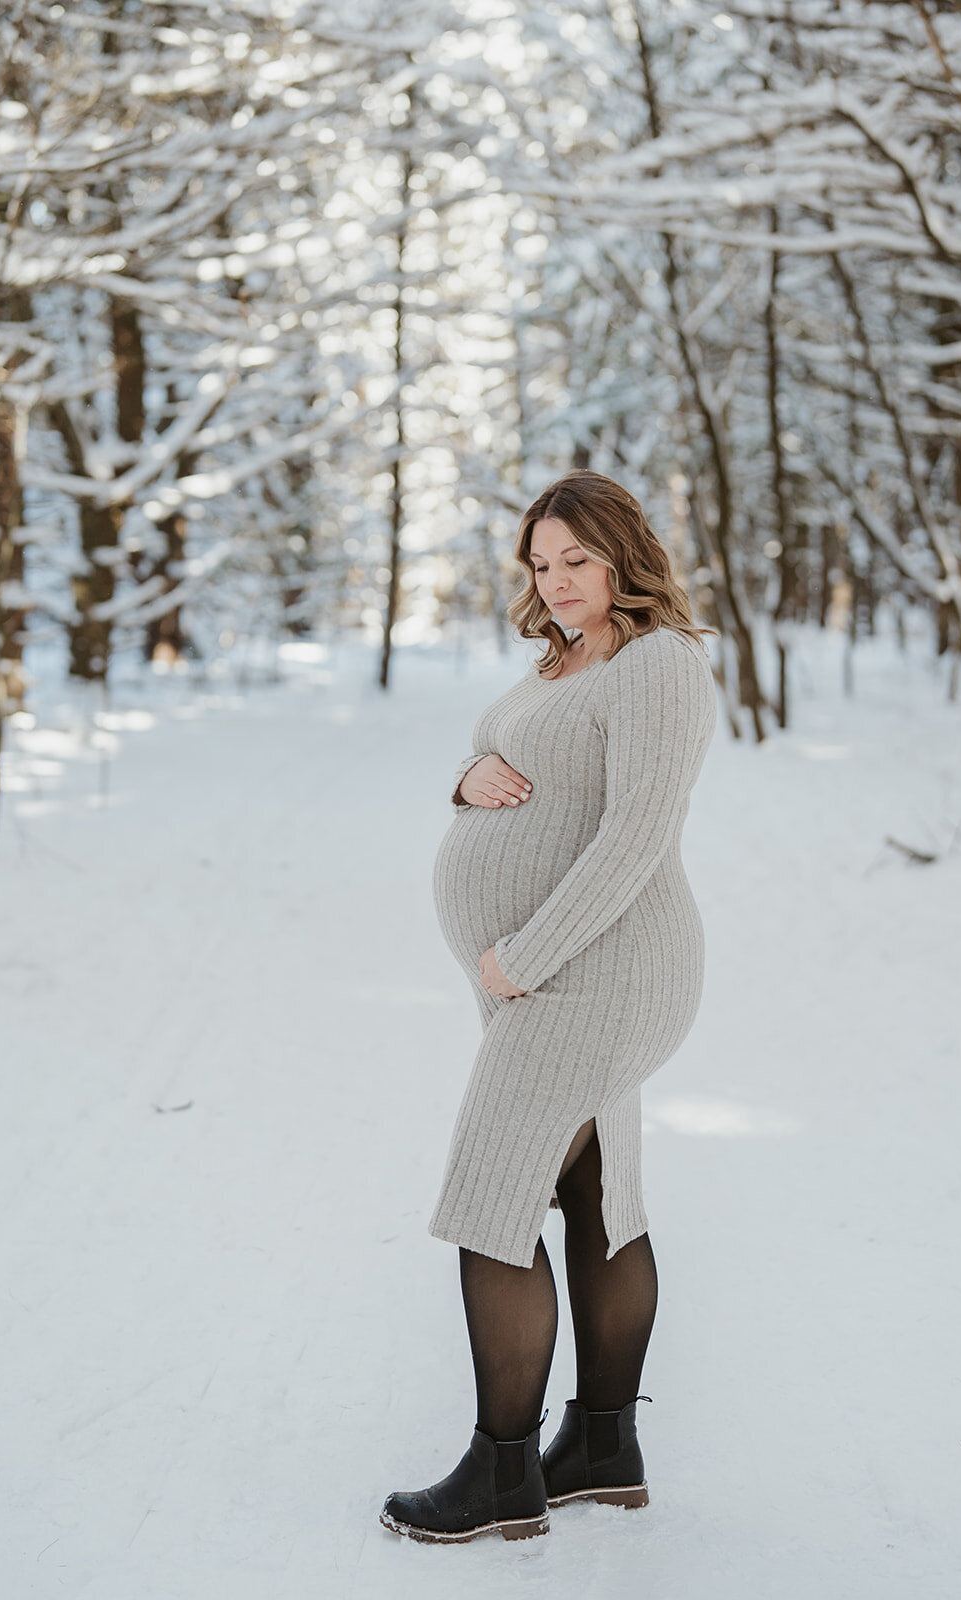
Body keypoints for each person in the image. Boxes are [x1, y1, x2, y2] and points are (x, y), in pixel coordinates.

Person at [380, 469, 719, 1544]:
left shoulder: (660, 662)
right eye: (539, 562)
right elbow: (527, 772)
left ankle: (502, 1472)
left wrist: (525, 953)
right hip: (561, 973)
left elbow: (635, 835)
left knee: (493, 1194)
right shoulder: (561, 661)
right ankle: (603, 1447)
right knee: (593, 1187)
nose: (557, 580)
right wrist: (466, 776)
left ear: (622, 550)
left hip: (596, 968)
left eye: (576, 557)